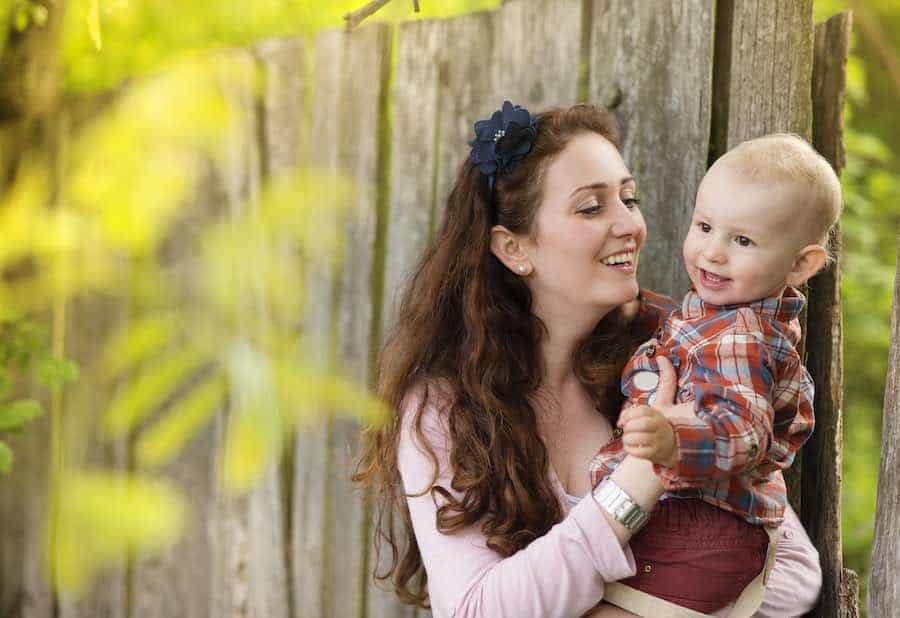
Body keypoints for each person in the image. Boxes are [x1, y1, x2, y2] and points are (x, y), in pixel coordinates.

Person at [354, 102, 822, 618]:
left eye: (629, 198)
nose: (630, 224)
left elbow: (792, 575)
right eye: (591, 208)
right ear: (514, 249)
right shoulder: (447, 405)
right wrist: (644, 474)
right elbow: (477, 609)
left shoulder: (676, 343)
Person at [588, 134, 841, 615]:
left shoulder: (741, 334)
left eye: (742, 240)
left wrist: (675, 440)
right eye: (704, 227)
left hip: (701, 530)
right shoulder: (713, 314)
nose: (713, 252)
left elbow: (745, 432)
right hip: (698, 529)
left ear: (801, 263)